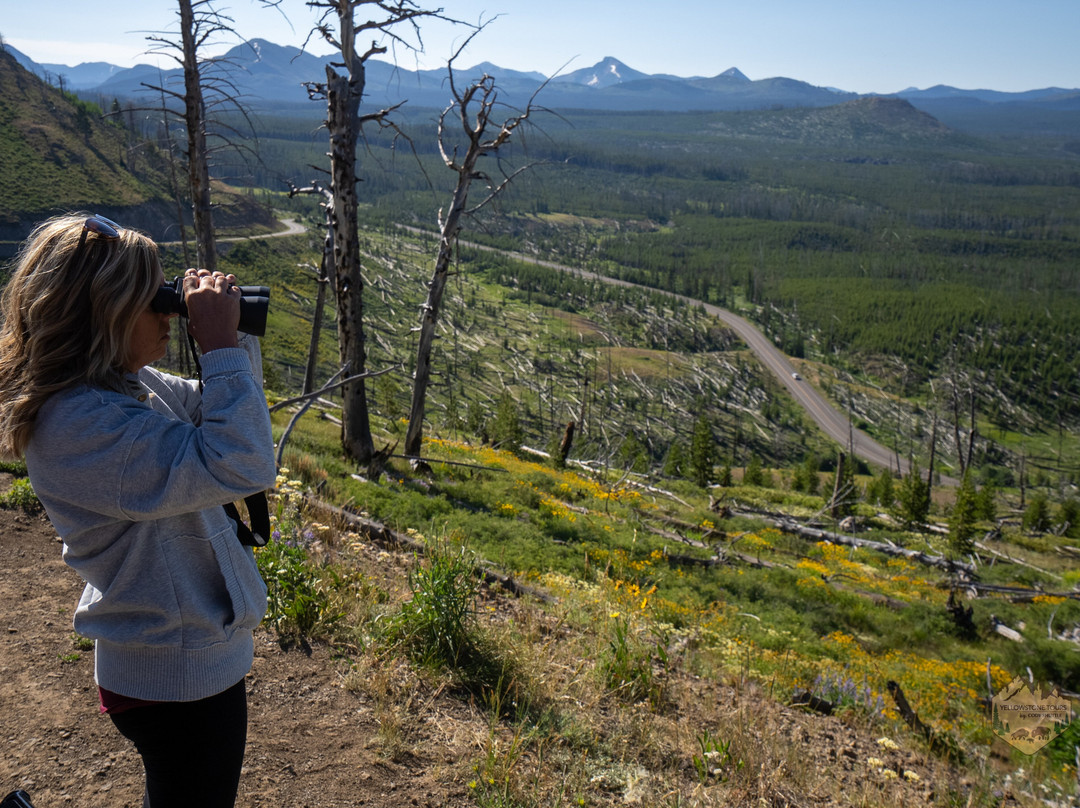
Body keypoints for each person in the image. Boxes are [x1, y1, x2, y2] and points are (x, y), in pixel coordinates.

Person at [0, 213, 276, 808]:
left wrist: (233, 338)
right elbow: (243, 460)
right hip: (174, 673)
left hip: (177, 654)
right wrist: (220, 344)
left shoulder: (119, 385)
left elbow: (224, 415)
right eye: (153, 299)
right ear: (103, 312)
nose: (168, 313)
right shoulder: (82, 427)